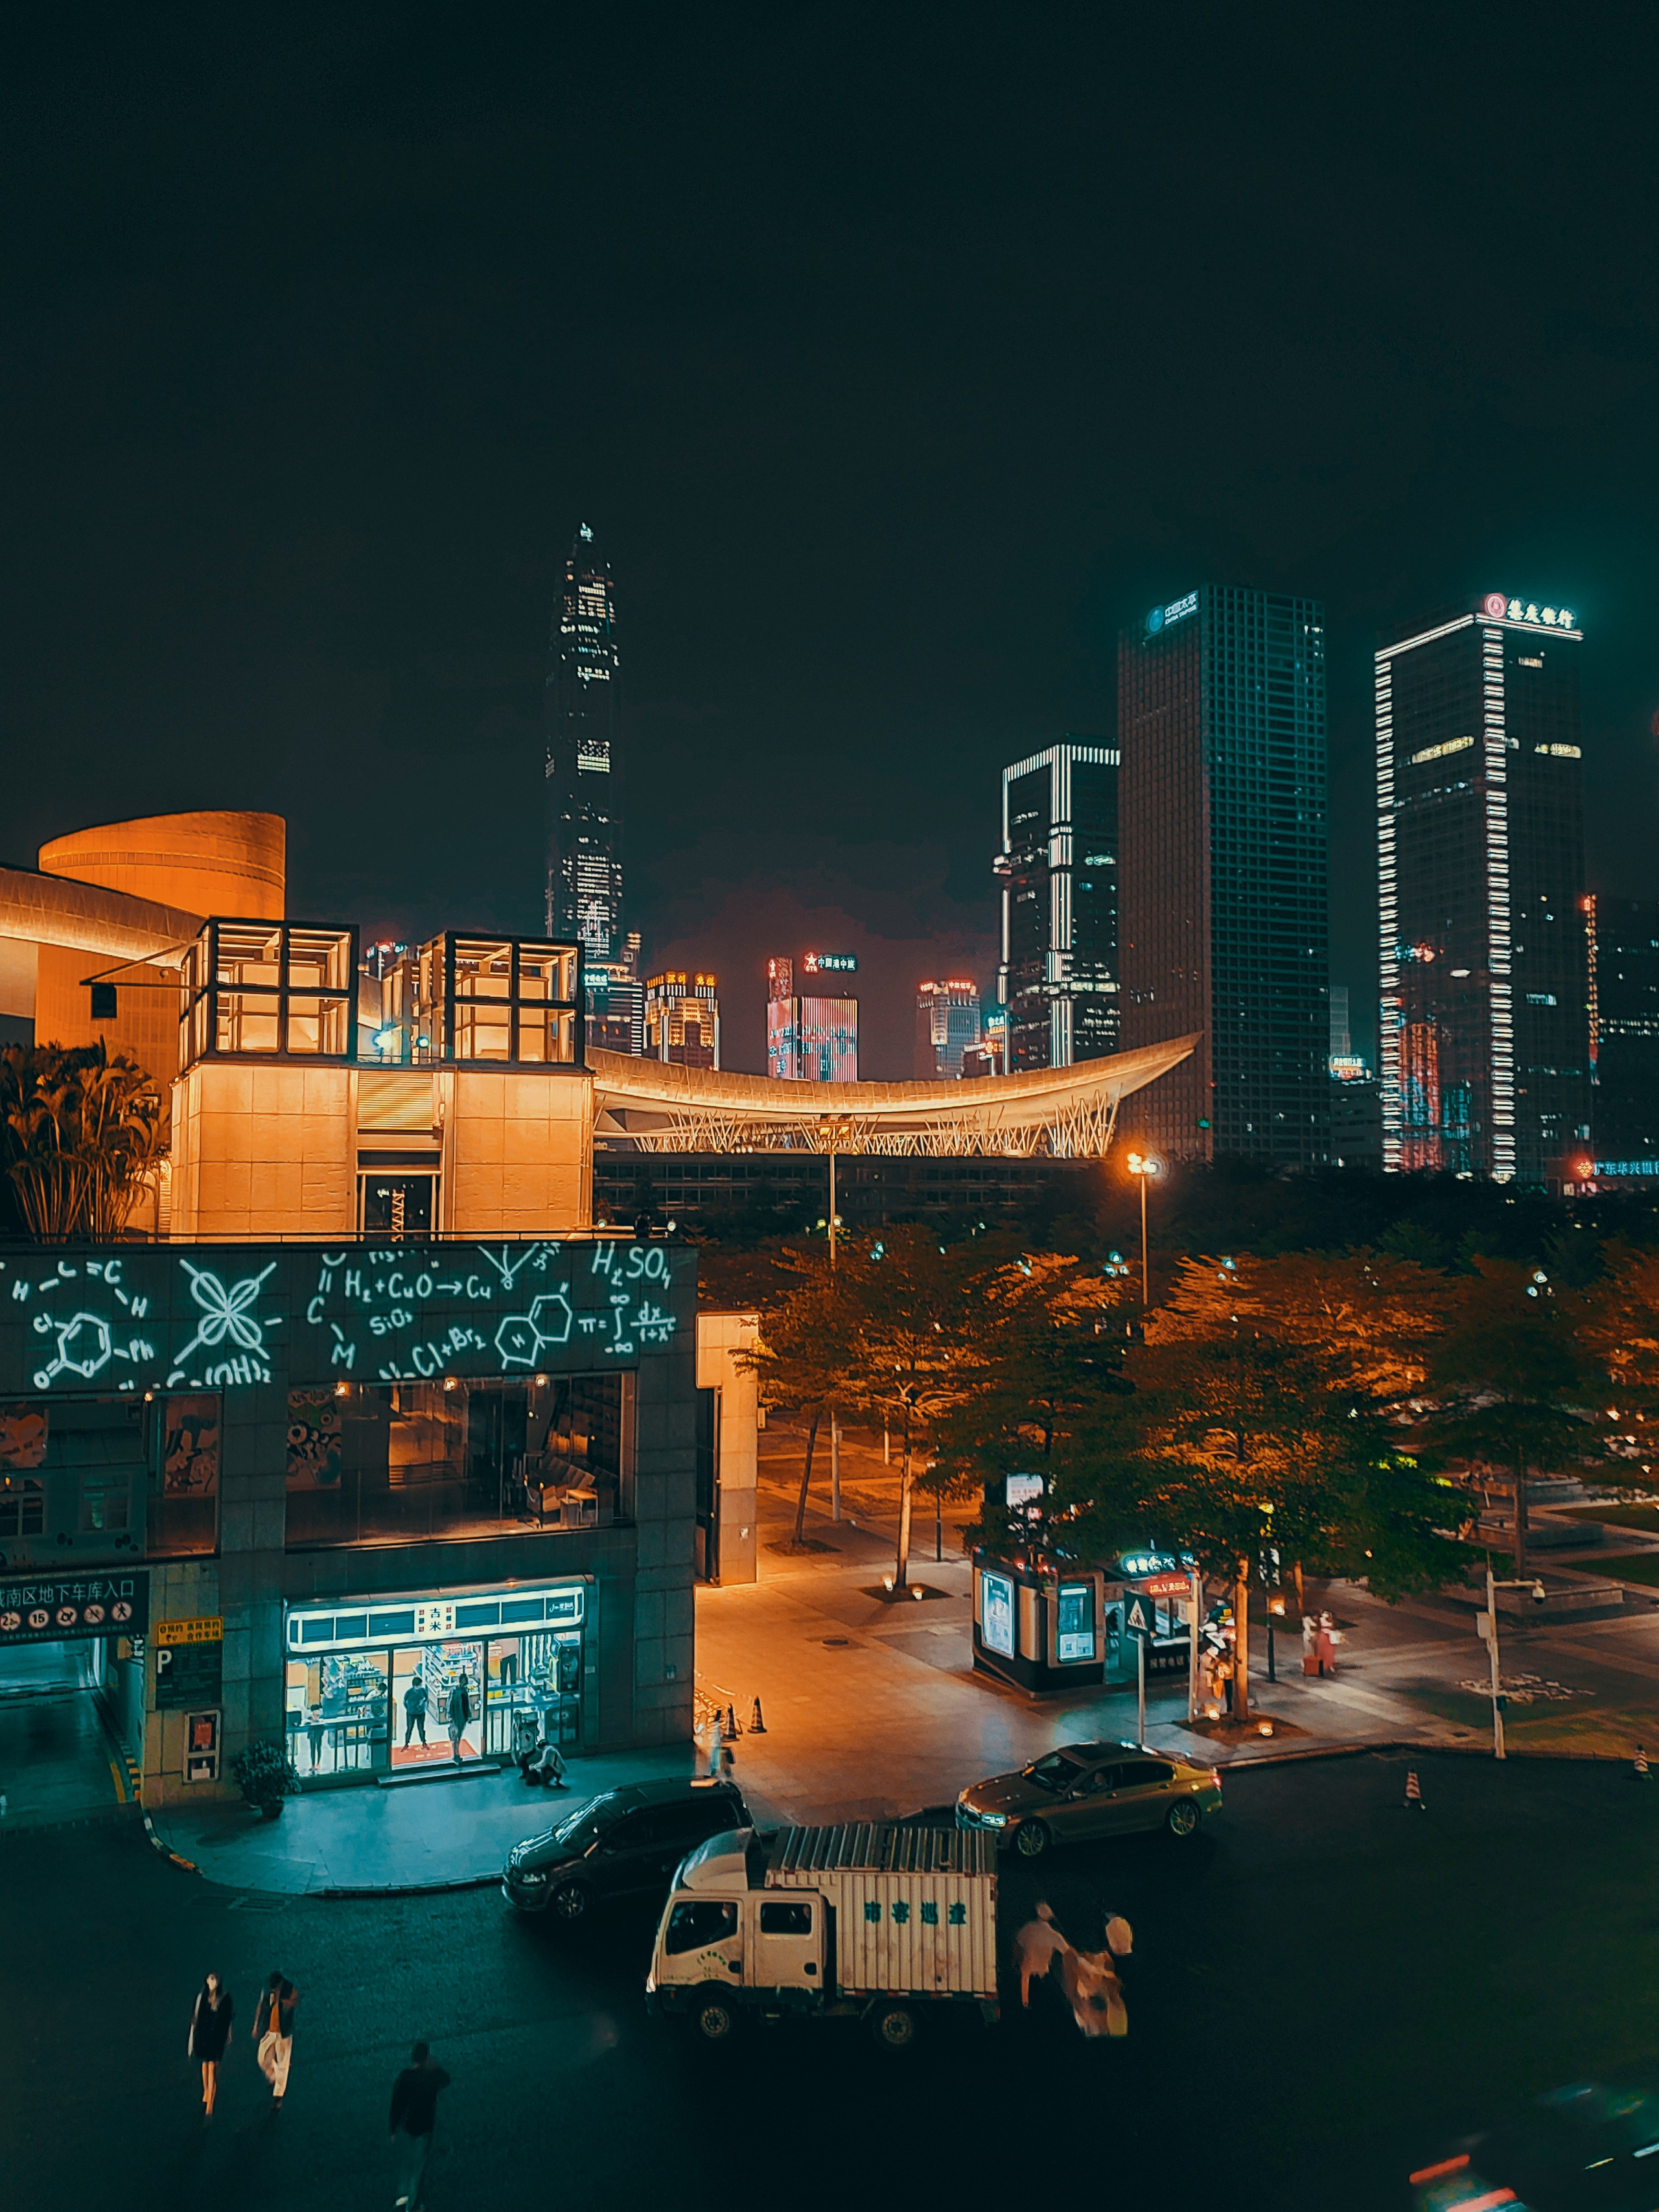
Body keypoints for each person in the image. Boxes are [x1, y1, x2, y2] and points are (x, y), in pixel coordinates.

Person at [389, 2038, 450, 2211]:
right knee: (418, 2167)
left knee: (406, 2165)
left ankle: (401, 2199)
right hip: (425, 2129)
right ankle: (413, 2205)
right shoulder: (431, 2077)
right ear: (427, 2057)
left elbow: (397, 2104)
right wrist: (435, 2066)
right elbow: (446, 2080)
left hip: (407, 2128)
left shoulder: (405, 2077)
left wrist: (393, 2129)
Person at [188, 1972, 234, 2121]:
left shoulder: (225, 1998)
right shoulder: (203, 1996)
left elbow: (228, 2018)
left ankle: (210, 2107)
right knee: (205, 2065)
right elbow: (197, 2016)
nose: (211, 1981)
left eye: (213, 1979)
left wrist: (228, 2034)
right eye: (209, 1979)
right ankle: (206, 2093)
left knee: (212, 2069)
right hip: (205, 2036)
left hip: (217, 2038)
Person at [1012, 1901, 1072, 2008]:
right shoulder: (1053, 1934)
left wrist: (1016, 1962)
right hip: (1043, 1975)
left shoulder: (1027, 1929)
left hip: (1026, 1977)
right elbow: (1067, 1951)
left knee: (1025, 2006)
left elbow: (1017, 1947)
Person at [252, 1970, 298, 2108]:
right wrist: (256, 2026)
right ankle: (272, 2075)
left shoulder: (289, 1987)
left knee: (283, 2065)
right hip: (270, 2030)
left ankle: (278, 2096)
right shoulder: (268, 1990)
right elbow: (261, 2005)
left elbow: (296, 2001)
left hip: (284, 2032)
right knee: (262, 2058)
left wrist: (287, 2003)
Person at [446, 1673, 471, 1762]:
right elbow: (449, 1703)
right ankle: (455, 1753)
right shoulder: (455, 1691)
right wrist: (449, 1715)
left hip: (462, 1717)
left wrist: (468, 1715)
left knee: (458, 1735)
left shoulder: (464, 1692)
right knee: (455, 1735)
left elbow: (467, 1704)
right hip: (455, 1715)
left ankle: (456, 1752)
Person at [403, 1675, 429, 1751]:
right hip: (411, 1713)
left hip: (421, 1713)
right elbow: (404, 1702)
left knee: (421, 1728)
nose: (420, 1686)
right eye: (419, 1685)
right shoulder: (409, 1692)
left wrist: (422, 1705)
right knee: (410, 1728)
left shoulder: (423, 1691)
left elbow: (426, 1698)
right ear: (415, 1686)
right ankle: (406, 1743)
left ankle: (424, 1742)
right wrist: (409, 1708)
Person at [305, 1705, 326, 1773]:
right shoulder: (309, 1719)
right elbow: (305, 1724)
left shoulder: (321, 1719)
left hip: (318, 1735)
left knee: (318, 1748)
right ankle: (313, 1764)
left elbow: (323, 1726)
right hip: (312, 1735)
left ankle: (318, 1763)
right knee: (313, 1749)